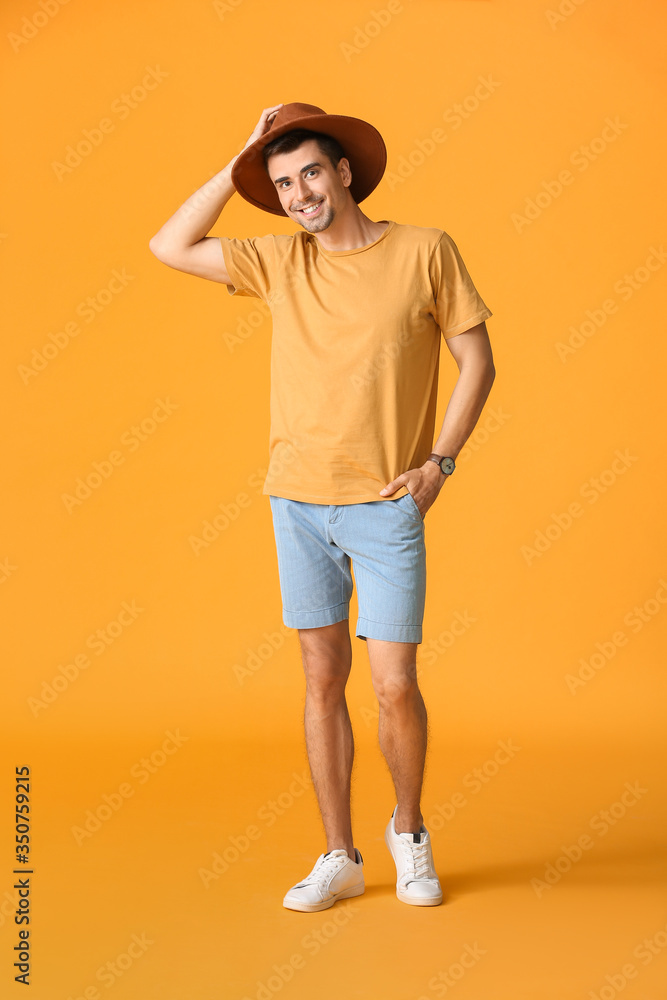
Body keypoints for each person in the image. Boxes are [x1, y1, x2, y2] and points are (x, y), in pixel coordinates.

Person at [149, 102, 496, 913]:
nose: (298, 191)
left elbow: (475, 359)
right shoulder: (277, 260)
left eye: (309, 171)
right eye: (280, 182)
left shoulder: (424, 251)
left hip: (382, 505)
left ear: (343, 172)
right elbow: (168, 246)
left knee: (392, 686)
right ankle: (337, 854)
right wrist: (242, 153)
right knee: (319, 677)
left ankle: (407, 835)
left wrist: (438, 463)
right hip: (296, 502)